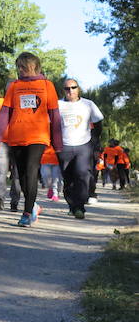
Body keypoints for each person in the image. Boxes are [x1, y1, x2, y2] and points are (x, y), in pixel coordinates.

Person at [0, 52, 63, 227]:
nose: (20, 70)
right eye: (18, 67)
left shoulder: (47, 85)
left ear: (34, 66)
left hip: (38, 136)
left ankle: (26, 212)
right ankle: (34, 206)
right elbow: (5, 112)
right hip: (16, 136)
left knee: (31, 172)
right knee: (22, 175)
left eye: (23, 67)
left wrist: (57, 142)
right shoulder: (14, 86)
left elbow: (54, 114)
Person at [57, 77, 103, 218]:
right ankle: (72, 205)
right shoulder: (57, 105)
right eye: (67, 88)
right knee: (68, 178)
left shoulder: (88, 104)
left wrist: (94, 141)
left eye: (73, 87)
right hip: (64, 146)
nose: (70, 91)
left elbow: (98, 123)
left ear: (78, 89)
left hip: (84, 145)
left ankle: (80, 207)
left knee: (83, 175)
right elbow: (50, 125)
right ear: (63, 90)